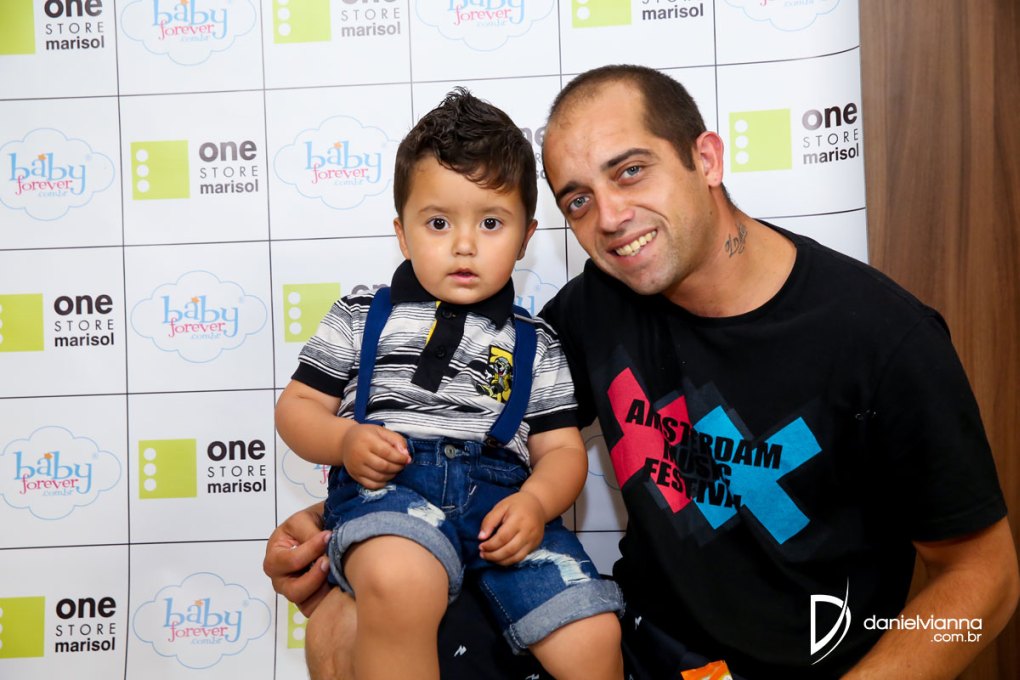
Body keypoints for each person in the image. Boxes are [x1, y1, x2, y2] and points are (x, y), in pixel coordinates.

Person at [266, 66, 1019, 679]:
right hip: (638, 649)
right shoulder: (590, 309)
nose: (611, 216)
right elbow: (475, 429)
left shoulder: (882, 337)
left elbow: (984, 577)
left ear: (707, 159)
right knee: (343, 626)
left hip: (804, 667)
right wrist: (343, 513)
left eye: (631, 172)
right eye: (579, 200)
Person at [273, 88, 624, 680]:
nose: (464, 244)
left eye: (491, 223)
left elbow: (562, 451)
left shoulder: (537, 342)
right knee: (399, 579)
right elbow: (298, 407)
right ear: (403, 234)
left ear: (526, 236)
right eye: (438, 223)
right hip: (390, 497)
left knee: (592, 632)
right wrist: (344, 441)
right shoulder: (360, 315)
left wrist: (536, 503)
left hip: (503, 511)